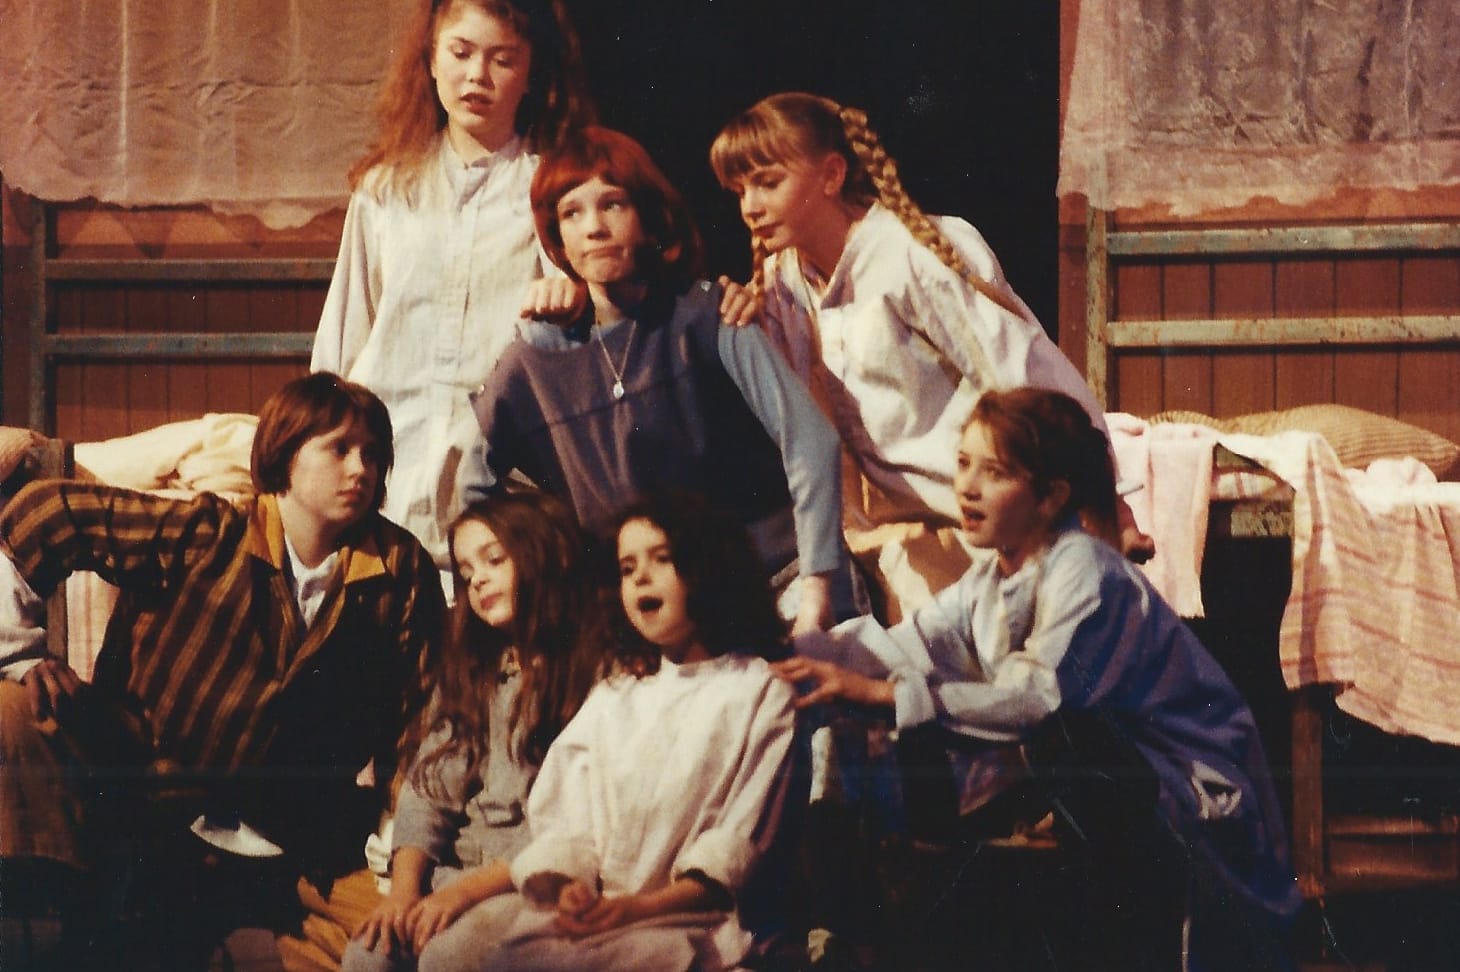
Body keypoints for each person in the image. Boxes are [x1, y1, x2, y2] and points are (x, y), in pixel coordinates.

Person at [774, 387, 1301, 970]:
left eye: (995, 472)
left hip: (1189, 791)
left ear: (1050, 497)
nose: (968, 487)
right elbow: (905, 645)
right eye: (964, 463)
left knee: (1021, 734)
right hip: (1115, 790)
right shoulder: (991, 581)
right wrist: (789, 660)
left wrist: (884, 694)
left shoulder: (1087, 570)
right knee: (900, 726)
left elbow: (1038, 699)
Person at [0, 373, 445, 968]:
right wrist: (22, 652)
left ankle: (249, 949)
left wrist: (405, 862)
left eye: (373, 454)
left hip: (300, 834)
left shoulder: (400, 569)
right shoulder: (210, 532)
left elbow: (421, 727)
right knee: (11, 713)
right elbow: (43, 514)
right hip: (145, 800)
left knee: (403, 944)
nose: (361, 469)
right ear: (286, 454)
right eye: (339, 449)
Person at [710, 91, 1154, 620]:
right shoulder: (783, 284)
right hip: (914, 542)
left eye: (767, 183)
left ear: (830, 175)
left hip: (1007, 523)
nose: (750, 206)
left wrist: (1106, 502)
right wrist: (745, 318)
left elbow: (1023, 374)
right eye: (739, 190)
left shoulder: (910, 253)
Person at [459, 125, 858, 634]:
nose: (594, 227)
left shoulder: (710, 315)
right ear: (555, 236)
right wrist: (553, 591)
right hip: (646, 620)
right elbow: (473, 489)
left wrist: (816, 591)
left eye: (613, 205)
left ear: (648, 217)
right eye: (572, 213)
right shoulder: (533, 356)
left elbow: (810, 441)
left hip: (774, 583)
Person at [310, 0, 594, 573]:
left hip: (498, 479)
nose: (476, 76)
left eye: (502, 60)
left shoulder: (553, 189)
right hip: (386, 467)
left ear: (531, 73)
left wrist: (572, 295)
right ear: (431, 59)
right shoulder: (387, 189)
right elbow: (344, 338)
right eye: (461, 53)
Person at [470, 491, 795, 972]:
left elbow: (739, 846)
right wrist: (572, 890)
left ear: (708, 567)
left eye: (662, 559)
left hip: (693, 922)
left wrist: (638, 910)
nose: (641, 576)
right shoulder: (616, 695)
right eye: (627, 568)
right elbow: (571, 823)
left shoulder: (758, 691)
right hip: (604, 918)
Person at [341, 492, 616, 972]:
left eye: (494, 560)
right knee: (369, 953)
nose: (478, 580)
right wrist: (403, 892)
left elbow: (574, 823)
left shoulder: (598, 675)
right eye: (467, 574)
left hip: (535, 878)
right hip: (456, 870)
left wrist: (466, 893)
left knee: (450, 958)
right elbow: (430, 789)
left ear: (544, 556)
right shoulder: (476, 669)